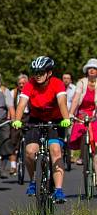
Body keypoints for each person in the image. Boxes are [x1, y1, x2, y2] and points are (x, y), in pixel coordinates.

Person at [11, 56, 71, 202]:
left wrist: (66, 119)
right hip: (35, 120)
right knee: (30, 151)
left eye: (41, 72)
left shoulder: (57, 83)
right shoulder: (30, 84)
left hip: (56, 121)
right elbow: (21, 104)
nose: (37, 75)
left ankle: (58, 190)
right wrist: (17, 120)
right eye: (35, 72)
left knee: (55, 151)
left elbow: (62, 102)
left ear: (49, 73)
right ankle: (33, 181)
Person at [68, 58, 97, 168]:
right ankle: (82, 153)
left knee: (95, 145)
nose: (92, 70)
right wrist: (70, 113)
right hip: (82, 113)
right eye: (90, 68)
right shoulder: (82, 82)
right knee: (80, 131)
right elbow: (76, 99)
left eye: (94, 68)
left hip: (94, 114)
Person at [9, 74, 30, 174]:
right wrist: (12, 119)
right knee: (13, 140)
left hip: (29, 117)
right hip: (17, 117)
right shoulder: (13, 92)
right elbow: (10, 106)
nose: (21, 85)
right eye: (20, 83)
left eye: (24, 83)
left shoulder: (31, 92)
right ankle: (13, 166)